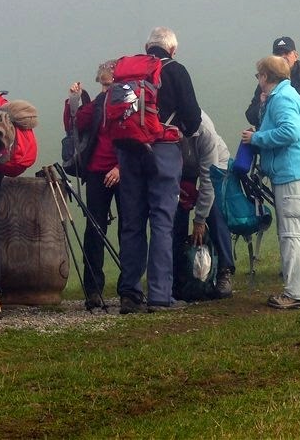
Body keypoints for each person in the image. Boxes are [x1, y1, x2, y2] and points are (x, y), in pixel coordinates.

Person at [114, 27, 202, 314]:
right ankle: (160, 295)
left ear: (146, 47)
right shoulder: (176, 70)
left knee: (132, 222)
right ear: (172, 50)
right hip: (162, 149)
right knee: (162, 221)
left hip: (128, 151)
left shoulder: (126, 72)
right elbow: (193, 117)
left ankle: (129, 293)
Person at [244, 36, 300, 265]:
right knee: (298, 207)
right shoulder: (265, 86)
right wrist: (264, 105)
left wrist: (289, 116)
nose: (284, 57)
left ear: (296, 54)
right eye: (279, 54)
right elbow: (252, 113)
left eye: (287, 53)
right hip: (281, 155)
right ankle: (296, 262)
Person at [242, 55, 300, 309]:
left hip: (292, 173)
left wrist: (257, 138)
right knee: (292, 232)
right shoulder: (283, 96)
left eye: (259, 76)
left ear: (266, 76)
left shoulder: (283, 98)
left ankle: (297, 293)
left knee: (292, 233)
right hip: (294, 172)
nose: (258, 80)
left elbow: (290, 131)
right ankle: (297, 290)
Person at [65, 60, 121, 311]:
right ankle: (115, 289)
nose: (107, 87)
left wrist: (75, 102)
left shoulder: (116, 101)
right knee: (116, 229)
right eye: (104, 83)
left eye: (109, 82)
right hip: (107, 172)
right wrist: (75, 100)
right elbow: (75, 124)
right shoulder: (107, 101)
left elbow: (75, 124)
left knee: (98, 229)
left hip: (108, 171)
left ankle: (97, 290)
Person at [173, 110, 235, 300]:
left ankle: (225, 270)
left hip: (215, 162)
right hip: (184, 167)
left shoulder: (204, 130)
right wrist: (177, 189)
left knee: (213, 210)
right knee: (178, 211)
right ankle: (178, 274)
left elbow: (208, 181)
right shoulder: (166, 121)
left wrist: (200, 219)